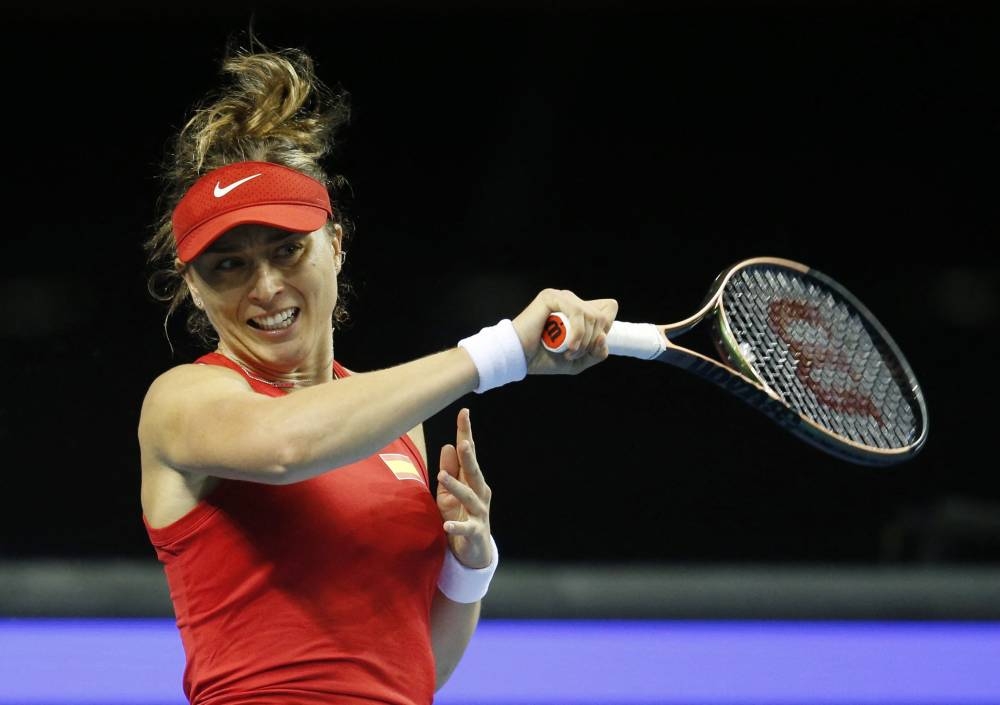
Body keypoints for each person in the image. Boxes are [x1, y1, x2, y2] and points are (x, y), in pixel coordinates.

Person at [138, 35, 618, 705]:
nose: (266, 286)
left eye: (286, 250)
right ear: (193, 288)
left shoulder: (397, 426)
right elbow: (287, 445)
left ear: (335, 246)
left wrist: (468, 566)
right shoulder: (182, 399)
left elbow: (414, 668)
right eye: (229, 265)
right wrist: (499, 352)